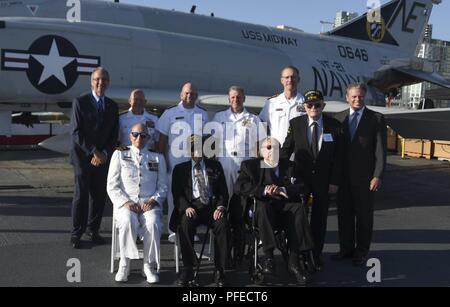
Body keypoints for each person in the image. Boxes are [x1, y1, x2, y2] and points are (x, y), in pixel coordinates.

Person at [234, 137, 314, 285]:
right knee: (263, 207)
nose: (272, 151)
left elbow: (303, 187)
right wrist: (264, 190)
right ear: (261, 151)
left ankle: (294, 262)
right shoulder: (250, 166)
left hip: (283, 209)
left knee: (299, 208)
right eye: (268, 147)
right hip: (262, 209)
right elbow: (239, 187)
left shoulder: (289, 165)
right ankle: (269, 257)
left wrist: (283, 189)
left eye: (276, 148)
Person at [281, 90, 343, 270]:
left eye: (317, 105)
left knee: (320, 218)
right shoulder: (296, 124)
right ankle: (299, 253)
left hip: (324, 181)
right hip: (301, 179)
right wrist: (282, 176)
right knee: (299, 217)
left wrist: (335, 181)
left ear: (323, 106)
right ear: (305, 107)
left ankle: (316, 254)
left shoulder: (334, 126)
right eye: (310, 105)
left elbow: (339, 158)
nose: (313, 108)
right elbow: (286, 151)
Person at [332, 83, 387, 266]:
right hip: (343, 178)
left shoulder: (376, 118)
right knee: (344, 216)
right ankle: (345, 249)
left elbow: (380, 151)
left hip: (365, 178)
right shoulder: (338, 118)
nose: (357, 99)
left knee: (364, 218)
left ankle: (362, 251)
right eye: (353, 96)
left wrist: (377, 175)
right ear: (347, 98)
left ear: (365, 97)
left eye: (360, 97)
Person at [107, 123, 168, 283]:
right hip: (127, 203)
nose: (138, 138)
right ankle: (124, 263)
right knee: (127, 221)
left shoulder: (157, 157)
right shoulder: (119, 154)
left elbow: (163, 186)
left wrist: (154, 200)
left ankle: (148, 265)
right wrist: (125, 201)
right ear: (130, 136)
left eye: (143, 135)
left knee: (153, 223)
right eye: (135, 134)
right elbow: (111, 185)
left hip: (149, 203)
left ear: (148, 138)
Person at [169, 134, 229, 287]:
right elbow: (177, 194)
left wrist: (220, 207)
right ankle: (188, 268)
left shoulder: (215, 166)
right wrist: (186, 207)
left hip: (211, 208)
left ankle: (219, 270)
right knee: (185, 224)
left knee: (222, 224)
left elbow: (223, 191)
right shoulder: (180, 169)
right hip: (192, 208)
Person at [69, 67, 119, 249]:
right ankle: (76, 233)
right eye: (97, 79)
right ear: (91, 81)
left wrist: (104, 153)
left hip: (102, 159)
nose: (101, 83)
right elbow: (76, 132)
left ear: (108, 82)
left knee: (99, 197)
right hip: (82, 158)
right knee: (81, 196)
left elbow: (114, 135)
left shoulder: (112, 106)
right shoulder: (80, 102)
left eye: (104, 79)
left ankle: (93, 230)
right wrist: (93, 152)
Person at [157, 83, 209, 243]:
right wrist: (162, 162)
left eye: (193, 94)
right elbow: (162, 140)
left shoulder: (202, 114)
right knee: (175, 196)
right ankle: (173, 229)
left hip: (195, 162)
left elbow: (207, 140)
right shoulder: (170, 113)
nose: (190, 96)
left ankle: (190, 228)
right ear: (181, 95)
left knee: (195, 195)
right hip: (175, 162)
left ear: (196, 96)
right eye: (187, 93)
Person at [259, 65, 305, 147]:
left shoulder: (306, 103)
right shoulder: (272, 103)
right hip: (276, 150)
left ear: (298, 80)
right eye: (287, 77)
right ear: (282, 80)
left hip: (297, 151)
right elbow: (262, 125)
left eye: (293, 77)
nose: (290, 80)